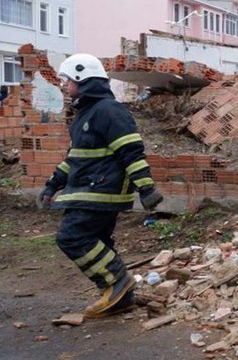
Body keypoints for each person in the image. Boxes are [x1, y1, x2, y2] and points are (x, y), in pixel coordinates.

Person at [38, 53, 164, 318]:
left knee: (72, 237)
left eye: (69, 80)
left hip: (101, 192)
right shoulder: (84, 116)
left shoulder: (109, 111)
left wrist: (147, 189)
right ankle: (120, 297)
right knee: (98, 242)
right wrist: (51, 186)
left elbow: (131, 152)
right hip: (88, 191)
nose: (66, 86)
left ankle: (117, 282)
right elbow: (73, 160)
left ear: (83, 80)